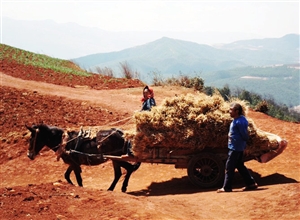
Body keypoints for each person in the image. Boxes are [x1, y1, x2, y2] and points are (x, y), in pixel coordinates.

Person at [217, 103, 258, 193]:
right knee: (239, 165)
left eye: (231, 110)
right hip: (236, 146)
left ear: (237, 111)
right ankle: (251, 183)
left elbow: (244, 135)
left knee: (229, 167)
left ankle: (227, 187)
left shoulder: (240, 122)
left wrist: (245, 145)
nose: (229, 111)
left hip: (236, 148)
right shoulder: (237, 120)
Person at [121, 85, 156, 158]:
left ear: (150, 93)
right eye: (144, 93)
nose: (145, 94)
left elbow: (151, 110)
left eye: (146, 93)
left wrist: (140, 113)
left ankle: (130, 154)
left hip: (147, 124)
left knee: (133, 135)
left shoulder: (150, 100)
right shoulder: (146, 101)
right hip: (144, 123)